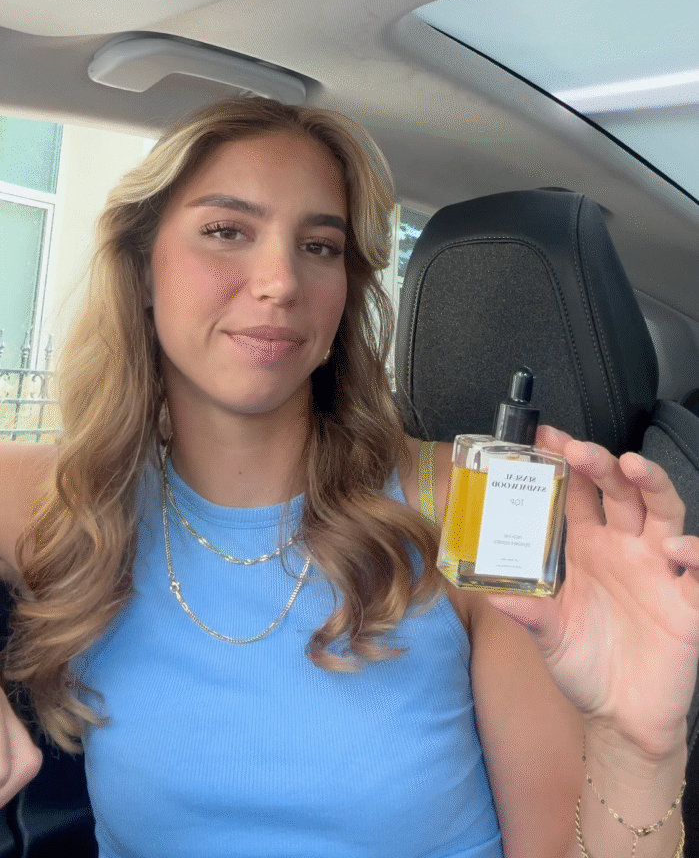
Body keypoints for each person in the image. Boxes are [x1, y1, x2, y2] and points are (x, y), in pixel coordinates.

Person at [0, 97, 696, 858]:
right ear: (141, 268)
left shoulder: (476, 505)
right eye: (226, 231)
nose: (280, 281)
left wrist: (637, 749)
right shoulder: (66, 501)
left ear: (344, 297)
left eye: (319, 246)